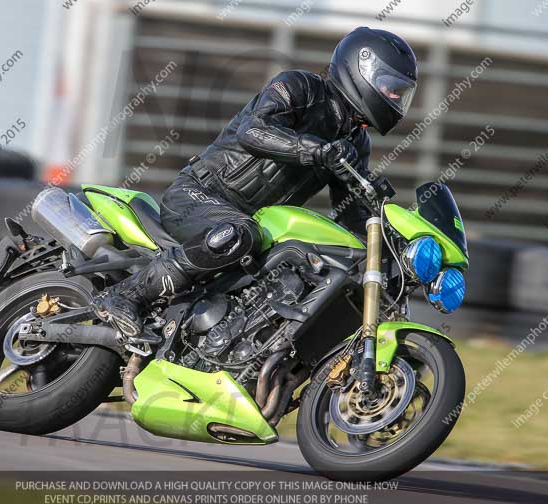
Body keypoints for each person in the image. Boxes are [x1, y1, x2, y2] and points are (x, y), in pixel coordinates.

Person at [95, 27, 418, 338]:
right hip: (198, 194)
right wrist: (315, 150)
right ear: (361, 69)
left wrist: (391, 250)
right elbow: (252, 132)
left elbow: (350, 213)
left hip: (255, 226)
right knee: (239, 234)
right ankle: (126, 295)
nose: (394, 98)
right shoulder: (299, 86)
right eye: (390, 87)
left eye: (400, 93)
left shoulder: (355, 141)